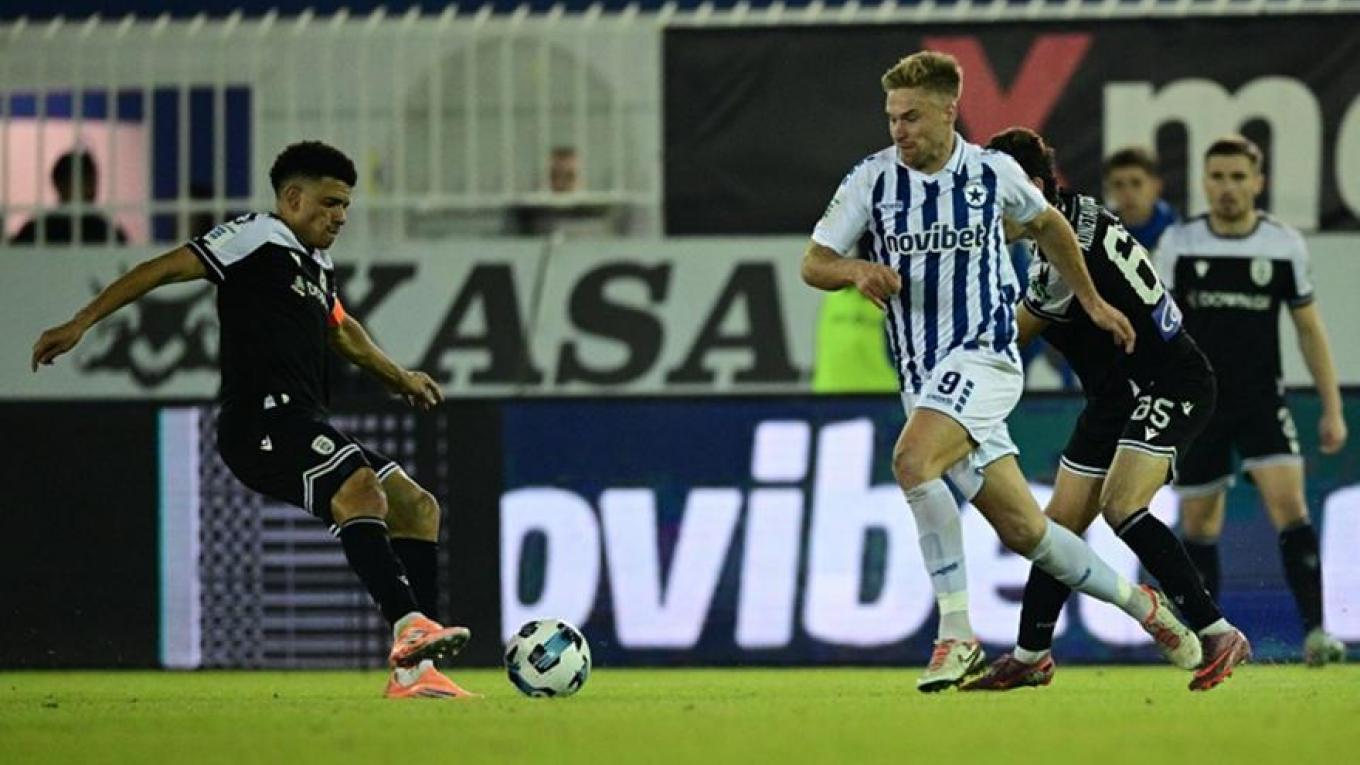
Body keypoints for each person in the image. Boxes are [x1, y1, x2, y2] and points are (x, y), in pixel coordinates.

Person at [802, 50, 1198, 693]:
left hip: (984, 356)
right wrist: (855, 269)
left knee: (912, 462)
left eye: (911, 117)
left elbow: (1051, 226)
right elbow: (814, 262)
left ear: (948, 112)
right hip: (922, 379)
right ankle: (1144, 606)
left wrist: (1093, 302)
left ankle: (956, 634)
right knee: (1028, 532)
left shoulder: (993, 173)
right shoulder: (871, 181)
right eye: (892, 118)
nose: (899, 130)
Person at [31, 141, 475, 699]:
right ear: (292, 198)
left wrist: (400, 376)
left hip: (300, 420)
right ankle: (410, 629)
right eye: (330, 203)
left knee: (417, 506)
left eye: (345, 206)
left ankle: (417, 670)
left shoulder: (316, 264)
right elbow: (160, 269)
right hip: (259, 423)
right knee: (360, 489)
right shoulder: (255, 236)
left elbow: (341, 329)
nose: (340, 216)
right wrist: (80, 322)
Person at [961, 128, 1249, 692]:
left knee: (1122, 504)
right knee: (1058, 528)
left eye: (997, 198)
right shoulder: (1073, 214)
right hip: (1117, 394)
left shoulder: (1061, 261)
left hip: (1169, 382)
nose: (988, 214)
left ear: (1032, 188)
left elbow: (1011, 337)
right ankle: (1031, 654)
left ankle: (1217, 631)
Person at [1158, 135, 1349, 666]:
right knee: (1200, 525)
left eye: (1238, 177)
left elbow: (1309, 329)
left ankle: (1316, 634)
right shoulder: (1179, 243)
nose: (1228, 187)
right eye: (1218, 177)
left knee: (1292, 509)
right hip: (1199, 404)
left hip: (1262, 399)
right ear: (1204, 182)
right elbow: (1159, 327)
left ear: (1258, 182)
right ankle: (1210, 639)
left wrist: (1332, 407)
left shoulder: (1283, 244)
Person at [11, 149, 129, 245]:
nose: (92, 188)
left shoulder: (36, 231)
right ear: (60, 184)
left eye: (91, 181)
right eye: (85, 180)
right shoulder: (109, 233)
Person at [1103, 146, 1176, 250]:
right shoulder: (1101, 232)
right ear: (1109, 189)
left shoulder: (1179, 233)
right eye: (1118, 185)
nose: (1127, 192)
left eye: (1136, 183)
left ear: (1156, 186)